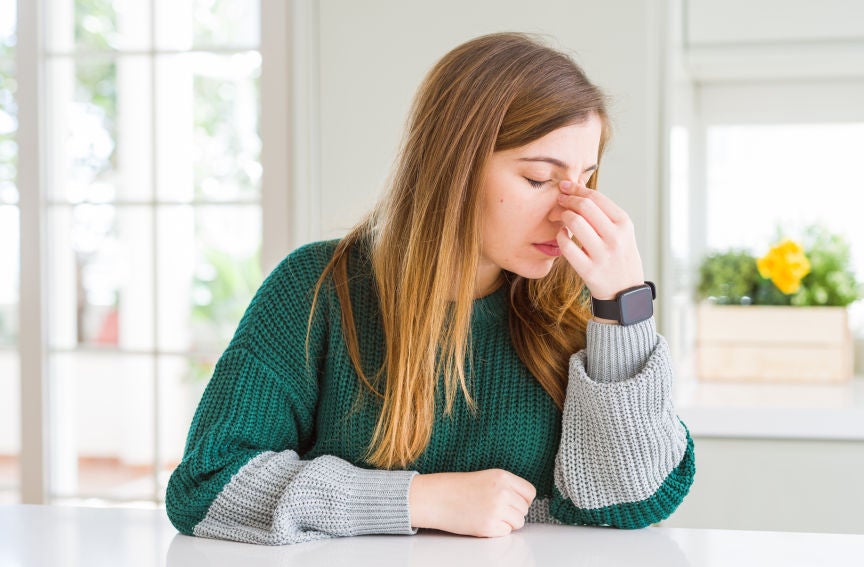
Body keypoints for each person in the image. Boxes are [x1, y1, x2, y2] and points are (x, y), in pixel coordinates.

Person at [165, 32, 694, 544]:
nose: (569, 211)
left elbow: (632, 502)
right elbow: (208, 485)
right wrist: (418, 499)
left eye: (584, 178)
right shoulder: (319, 288)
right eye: (538, 178)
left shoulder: (578, 304)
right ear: (454, 168)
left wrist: (623, 309)